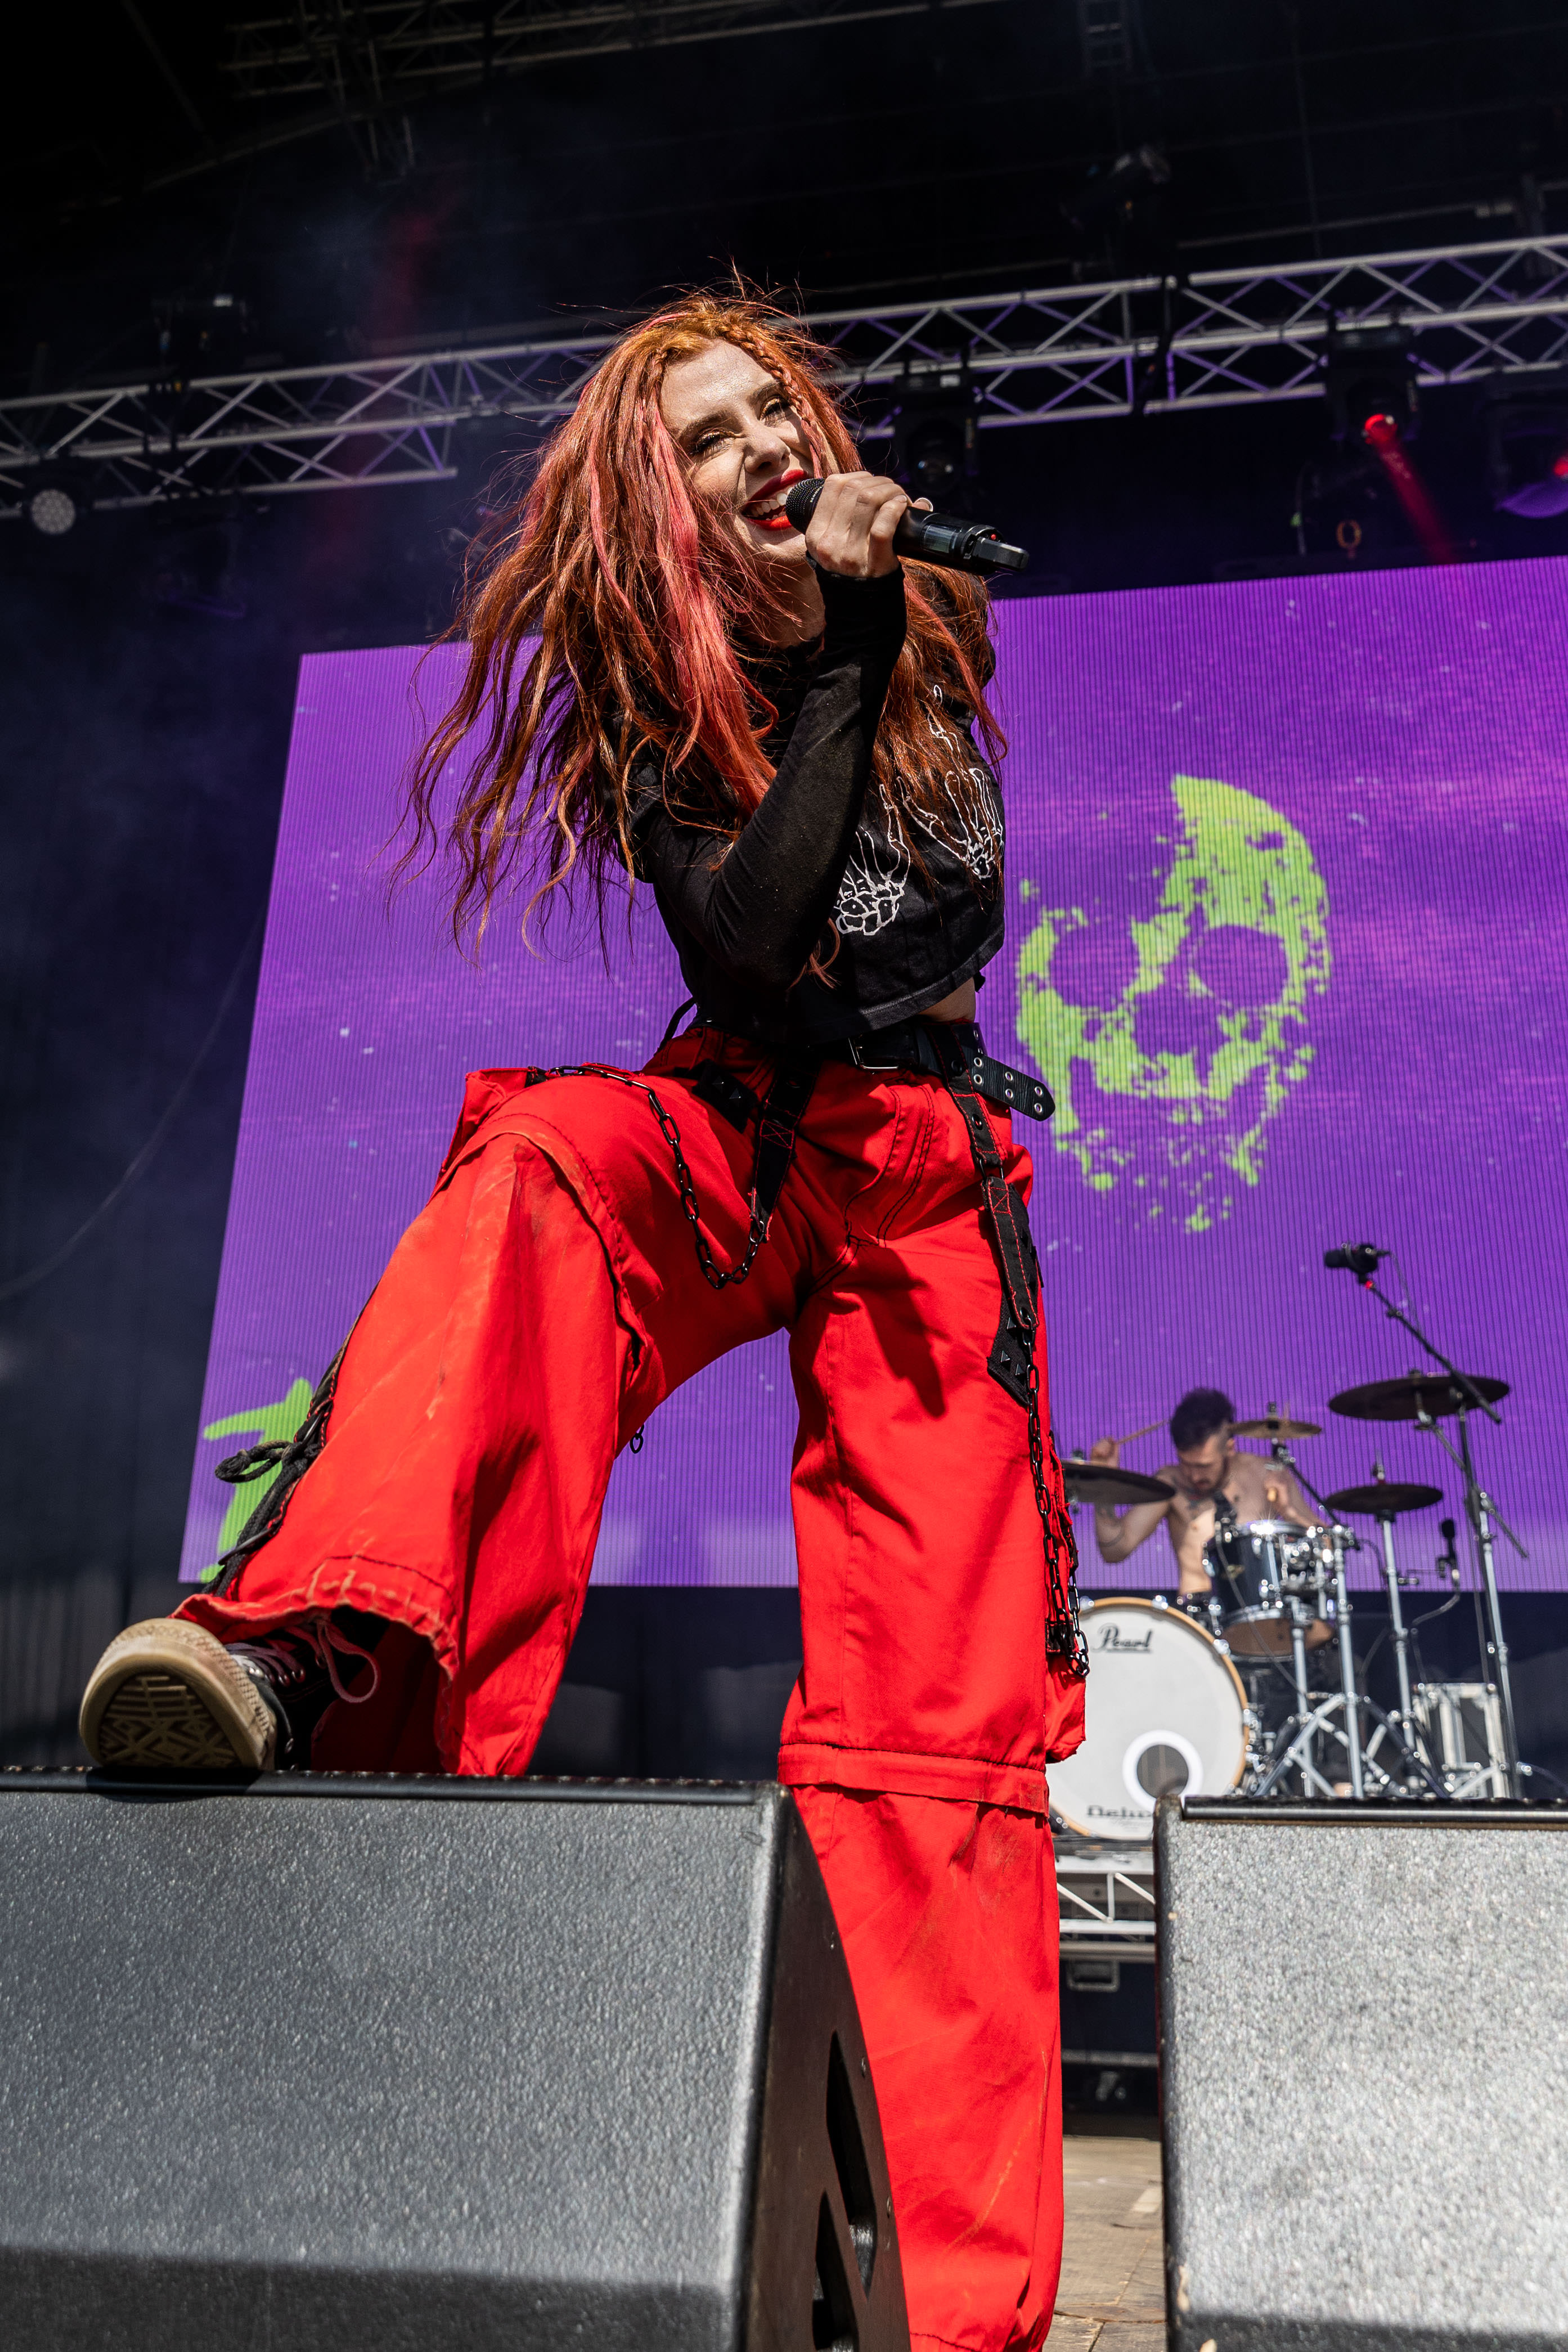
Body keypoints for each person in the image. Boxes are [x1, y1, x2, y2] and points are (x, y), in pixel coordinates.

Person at [77, 293, 1087, 2352]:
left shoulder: (935, 628)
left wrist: (877, 629)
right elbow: (752, 949)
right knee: (543, 1169)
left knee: (939, 1715)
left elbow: (928, 923)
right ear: (663, 507)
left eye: (769, 410)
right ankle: (298, 1648)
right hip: (754, 1119)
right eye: (705, 439)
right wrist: (840, 649)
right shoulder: (656, 700)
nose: (758, 446)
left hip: (927, 1179)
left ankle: (938, 2310)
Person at [1089, 1385, 1315, 1594]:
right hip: (1197, 1616)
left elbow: (1328, 1547)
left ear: (1230, 1448)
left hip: (1264, 1611)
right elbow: (1115, 1550)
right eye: (1185, 1463)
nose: (1194, 1476)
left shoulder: (1266, 1474)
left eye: (1204, 1466)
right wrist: (1102, 1481)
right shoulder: (1171, 1483)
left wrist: (1290, 1512)